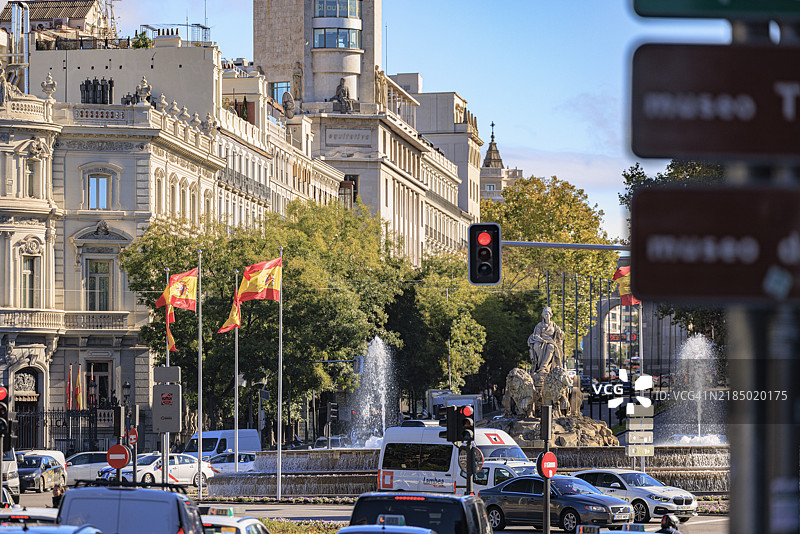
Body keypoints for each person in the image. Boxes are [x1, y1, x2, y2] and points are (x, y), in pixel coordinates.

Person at [527, 306, 565, 373]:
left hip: (551, 341)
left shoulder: (553, 325)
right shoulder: (539, 325)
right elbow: (536, 335)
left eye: (548, 314)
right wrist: (540, 339)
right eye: (545, 314)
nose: (546, 315)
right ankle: (538, 366)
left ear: (550, 315)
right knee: (536, 345)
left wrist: (559, 331)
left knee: (551, 347)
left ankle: (543, 367)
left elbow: (561, 334)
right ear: (543, 315)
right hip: (541, 341)